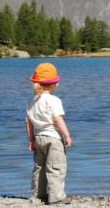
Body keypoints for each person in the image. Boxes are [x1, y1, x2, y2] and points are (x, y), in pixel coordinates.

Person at [25, 62, 73, 205]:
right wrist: (67, 135)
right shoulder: (54, 100)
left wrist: (31, 140)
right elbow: (57, 120)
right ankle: (57, 197)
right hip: (53, 139)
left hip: (38, 138)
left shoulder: (31, 101)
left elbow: (28, 123)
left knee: (39, 167)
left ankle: (38, 195)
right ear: (54, 84)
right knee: (56, 167)